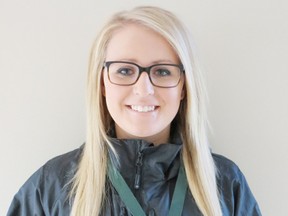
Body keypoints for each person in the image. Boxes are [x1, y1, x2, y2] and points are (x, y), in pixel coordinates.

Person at [7, 6, 261, 216]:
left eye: (162, 71)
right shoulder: (51, 187)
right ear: (103, 83)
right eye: (125, 70)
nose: (143, 89)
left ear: (184, 86)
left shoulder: (227, 185)